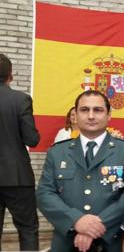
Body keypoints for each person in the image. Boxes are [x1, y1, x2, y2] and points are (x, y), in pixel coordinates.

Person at [36, 90, 124, 252]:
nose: (90, 116)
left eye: (98, 110)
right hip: (67, 241)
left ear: (109, 115)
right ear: (75, 115)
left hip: (112, 242)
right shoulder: (57, 152)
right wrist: (76, 221)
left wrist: (98, 225)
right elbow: (44, 194)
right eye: (84, 110)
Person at [0, 54, 40, 250]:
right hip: (17, 176)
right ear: (10, 75)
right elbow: (31, 139)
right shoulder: (20, 99)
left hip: (15, 176)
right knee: (27, 229)